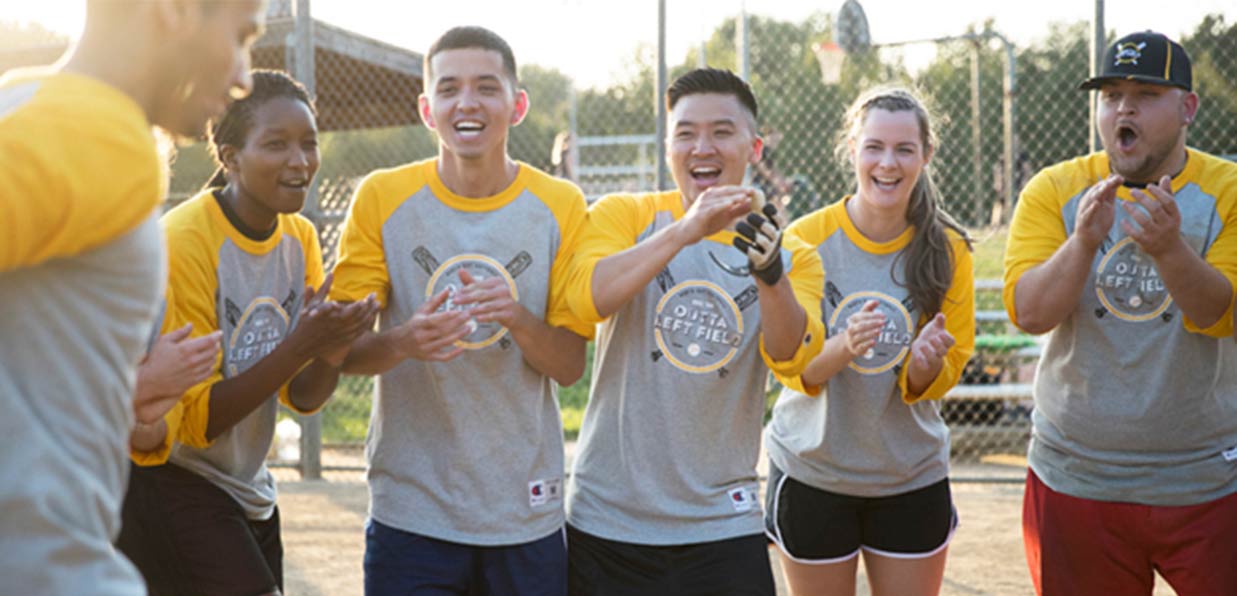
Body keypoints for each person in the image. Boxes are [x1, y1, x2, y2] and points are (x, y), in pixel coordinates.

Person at [0, 1, 265, 592]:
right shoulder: (101, 136)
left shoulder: (24, 102)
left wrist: (115, 397)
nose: (245, 73)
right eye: (241, 34)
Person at [329, 26, 592, 596]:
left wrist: (519, 318)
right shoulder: (381, 196)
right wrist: (404, 341)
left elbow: (570, 367)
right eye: (448, 89)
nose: (467, 103)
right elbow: (341, 353)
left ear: (517, 105)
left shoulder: (560, 205)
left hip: (524, 510)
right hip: (412, 513)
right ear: (427, 109)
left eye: (486, 88)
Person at [116, 69, 380, 596]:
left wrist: (329, 352)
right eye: (277, 144)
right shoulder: (184, 243)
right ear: (231, 158)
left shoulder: (299, 236)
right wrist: (300, 343)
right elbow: (195, 423)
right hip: (172, 479)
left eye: (309, 143)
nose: (300, 161)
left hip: (247, 484)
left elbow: (301, 397)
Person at [564, 67, 826, 596]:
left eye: (721, 132)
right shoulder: (624, 215)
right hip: (608, 519)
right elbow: (587, 297)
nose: (702, 147)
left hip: (721, 522)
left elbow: (791, 358)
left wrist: (772, 276)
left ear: (753, 148)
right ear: (667, 147)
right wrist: (686, 230)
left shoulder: (793, 252)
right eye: (685, 133)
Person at [1003, 31, 1237, 595]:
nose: (1123, 108)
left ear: (1187, 108)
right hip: (1076, 477)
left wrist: (1170, 249)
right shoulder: (1056, 190)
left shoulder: (1227, 190)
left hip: (1206, 480)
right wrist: (1084, 241)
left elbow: (1221, 313)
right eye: (1111, 95)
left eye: (1145, 93)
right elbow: (1028, 313)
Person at [763, 87, 975, 596]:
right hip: (815, 471)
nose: (888, 162)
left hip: (909, 475)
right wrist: (843, 346)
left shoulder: (948, 249)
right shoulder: (807, 238)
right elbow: (795, 367)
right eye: (875, 146)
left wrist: (924, 365)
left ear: (925, 156)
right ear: (853, 149)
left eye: (905, 149)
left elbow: (943, 373)